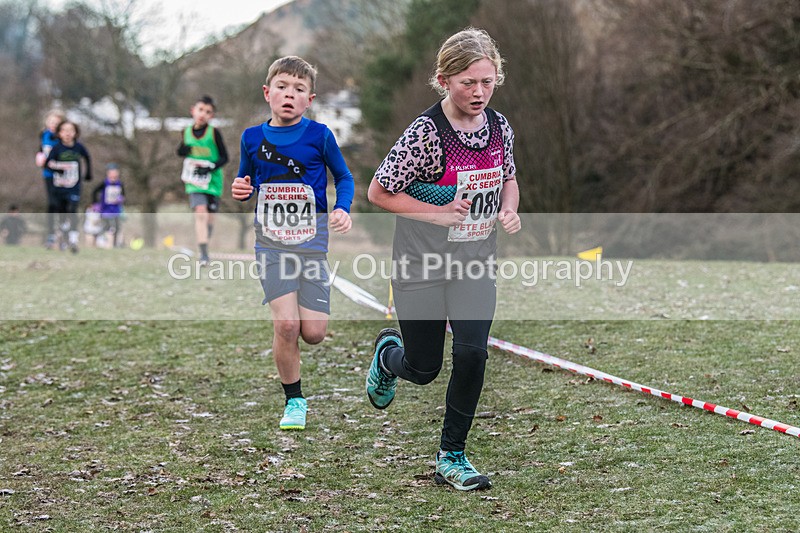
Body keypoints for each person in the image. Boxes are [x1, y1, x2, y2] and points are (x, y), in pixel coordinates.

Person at [365, 28, 521, 491]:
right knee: (423, 368)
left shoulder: (500, 127)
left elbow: (508, 176)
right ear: (443, 80)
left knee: (473, 353)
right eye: (468, 82)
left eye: (487, 82)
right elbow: (378, 192)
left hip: (474, 261)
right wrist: (436, 214)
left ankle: (452, 456)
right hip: (421, 265)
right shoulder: (425, 134)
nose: (478, 92)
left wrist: (509, 206)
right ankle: (386, 356)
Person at [231, 56, 354, 431]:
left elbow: (344, 177)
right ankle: (294, 401)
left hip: (312, 247)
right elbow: (243, 181)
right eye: (282, 87)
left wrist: (342, 208)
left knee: (313, 333)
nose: (289, 94)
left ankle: (298, 371)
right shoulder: (251, 138)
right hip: (271, 246)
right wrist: (240, 189)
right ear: (268, 93)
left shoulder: (320, 136)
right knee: (286, 326)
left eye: (299, 89)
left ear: (309, 99)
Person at [177, 95, 229, 266]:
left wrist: (211, 167)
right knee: (200, 211)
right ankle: (204, 254)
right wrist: (182, 150)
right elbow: (182, 151)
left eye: (208, 112)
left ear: (211, 116)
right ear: (193, 110)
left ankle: (203, 245)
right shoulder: (186, 131)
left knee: (209, 219)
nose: (203, 114)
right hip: (194, 181)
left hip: (213, 182)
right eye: (200, 110)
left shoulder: (214, 133)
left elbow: (224, 157)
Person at [45, 120, 92, 254]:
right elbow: (48, 163)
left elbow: (87, 157)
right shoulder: (57, 148)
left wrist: (88, 172)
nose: (67, 133)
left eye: (71, 130)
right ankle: (63, 238)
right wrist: (57, 170)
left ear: (76, 133)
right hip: (59, 186)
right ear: (59, 133)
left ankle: (73, 239)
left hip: (74, 185)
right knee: (62, 212)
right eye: (64, 130)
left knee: (73, 209)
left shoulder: (79, 147)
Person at [35, 109, 66, 248]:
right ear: (47, 122)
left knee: (62, 205)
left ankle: (63, 234)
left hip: (63, 175)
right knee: (52, 203)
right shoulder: (44, 135)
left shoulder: (63, 137)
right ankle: (51, 234)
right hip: (48, 175)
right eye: (51, 122)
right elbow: (41, 149)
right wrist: (39, 156)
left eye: (57, 122)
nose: (53, 124)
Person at [91, 163, 126, 247]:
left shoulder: (120, 184)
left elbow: (123, 194)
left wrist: (121, 199)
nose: (114, 175)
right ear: (108, 174)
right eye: (112, 173)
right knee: (106, 228)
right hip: (105, 210)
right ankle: (104, 244)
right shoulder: (104, 183)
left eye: (116, 173)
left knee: (117, 228)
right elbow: (94, 192)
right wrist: (95, 204)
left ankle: (115, 244)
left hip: (116, 210)